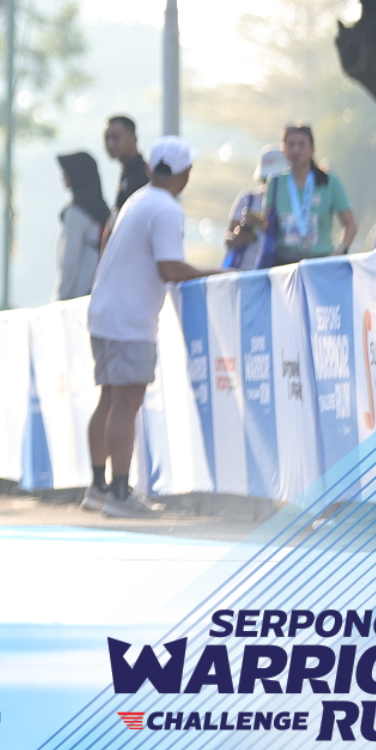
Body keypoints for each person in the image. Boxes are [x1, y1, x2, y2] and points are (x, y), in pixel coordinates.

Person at [82, 136, 215, 519]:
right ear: (184, 172)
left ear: (149, 168)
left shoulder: (138, 199)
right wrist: (216, 272)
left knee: (109, 399)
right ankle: (119, 494)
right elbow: (169, 268)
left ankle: (99, 488)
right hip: (130, 319)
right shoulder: (166, 209)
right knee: (126, 403)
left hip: (105, 313)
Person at [261, 124, 357, 265]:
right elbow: (266, 223)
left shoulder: (329, 181)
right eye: (291, 144)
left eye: (302, 144)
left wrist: (341, 250)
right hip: (284, 263)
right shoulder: (275, 182)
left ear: (312, 149)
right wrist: (250, 224)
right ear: (283, 149)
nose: (296, 150)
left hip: (320, 261)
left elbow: (350, 224)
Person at [222, 145, 286, 271]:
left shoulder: (290, 203)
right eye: (266, 179)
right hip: (243, 270)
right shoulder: (247, 199)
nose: (270, 183)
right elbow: (228, 241)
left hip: (275, 272)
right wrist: (244, 229)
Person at [55, 151, 109, 299]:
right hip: (98, 290)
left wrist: (59, 298)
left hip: (78, 295)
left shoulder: (76, 213)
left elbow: (69, 261)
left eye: (66, 172)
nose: (62, 176)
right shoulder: (100, 209)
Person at [101, 115, 149, 247]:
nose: (110, 144)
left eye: (116, 137)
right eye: (106, 138)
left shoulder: (143, 175)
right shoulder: (126, 172)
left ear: (134, 139)